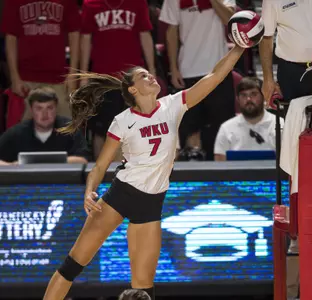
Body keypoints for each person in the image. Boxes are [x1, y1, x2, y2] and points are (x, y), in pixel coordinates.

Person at [41, 44, 245, 300]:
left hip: (151, 203)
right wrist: (89, 191)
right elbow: (101, 166)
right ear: (133, 90)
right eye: (143, 76)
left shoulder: (173, 105)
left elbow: (214, 77)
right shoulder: (123, 120)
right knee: (72, 265)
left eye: (150, 73)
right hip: (120, 196)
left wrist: (239, 49)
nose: (151, 76)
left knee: (143, 288)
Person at [159, 0, 237, 160]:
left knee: (221, 128)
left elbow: (230, 20)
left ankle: (224, 176)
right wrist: (173, 68)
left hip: (219, 70)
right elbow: (171, 31)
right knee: (189, 132)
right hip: (188, 70)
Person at [80, 0, 156, 160]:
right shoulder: (90, 4)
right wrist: (84, 74)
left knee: (135, 127)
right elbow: (85, 38)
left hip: (132, 79)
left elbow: (145, 35)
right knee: (101, 130)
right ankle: (101, 173)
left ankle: (133, 173)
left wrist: (152, 69)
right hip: (103, 79)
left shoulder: (138, 3)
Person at [1, 0, 81, 120]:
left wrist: (72, 74)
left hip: (59, 80)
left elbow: (74, 34)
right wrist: (14, 77)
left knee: (66, 131)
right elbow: (10, 37)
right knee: (23, 134)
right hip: (26, 81)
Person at [0, 87, 89, 165]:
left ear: (56, 108)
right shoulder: (16, 133)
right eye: (39, 108)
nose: (44, 114)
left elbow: (83, 160)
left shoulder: (70, 129)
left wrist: (35, 162)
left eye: (49, 108)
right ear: (31, 110)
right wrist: (12, 166)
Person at [214, 77, 282, 161]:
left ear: (264, 96)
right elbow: (219, 166)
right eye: (243, 95)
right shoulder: (226, 128)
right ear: (237, 99)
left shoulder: (280, 124)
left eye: (253, 94)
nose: (248, 99)